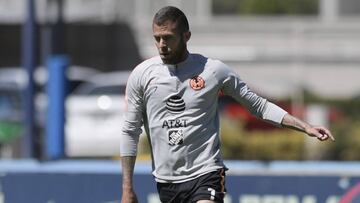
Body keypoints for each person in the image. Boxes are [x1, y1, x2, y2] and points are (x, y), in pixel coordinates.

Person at [120, 6, 335, 203]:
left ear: (186, 36)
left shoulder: (213, 71)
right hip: (166, 181)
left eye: (168, 38)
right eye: (157, 39)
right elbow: (130, 131)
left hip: (206, 173)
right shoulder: (142, 75)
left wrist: (305, 127)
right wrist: (127, 188)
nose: (161, 46)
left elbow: (258, 106)